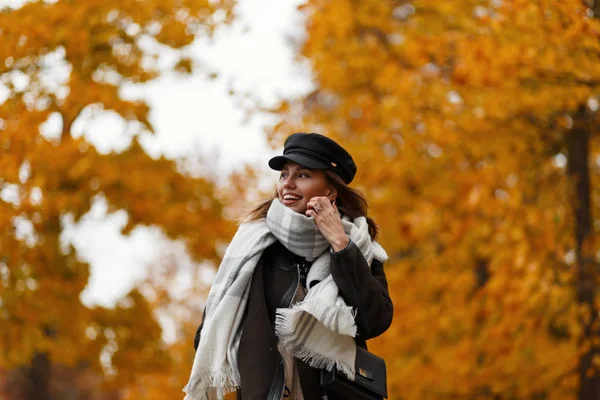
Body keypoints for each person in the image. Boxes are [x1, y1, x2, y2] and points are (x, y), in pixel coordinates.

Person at [183, 133, 393, 400]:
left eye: (303, 175)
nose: (288, 184)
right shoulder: (253, 246)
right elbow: (207, 333)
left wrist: (340, 246)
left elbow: (374, 321)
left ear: (330, 190)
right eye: (284, 174)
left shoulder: (359, 246)